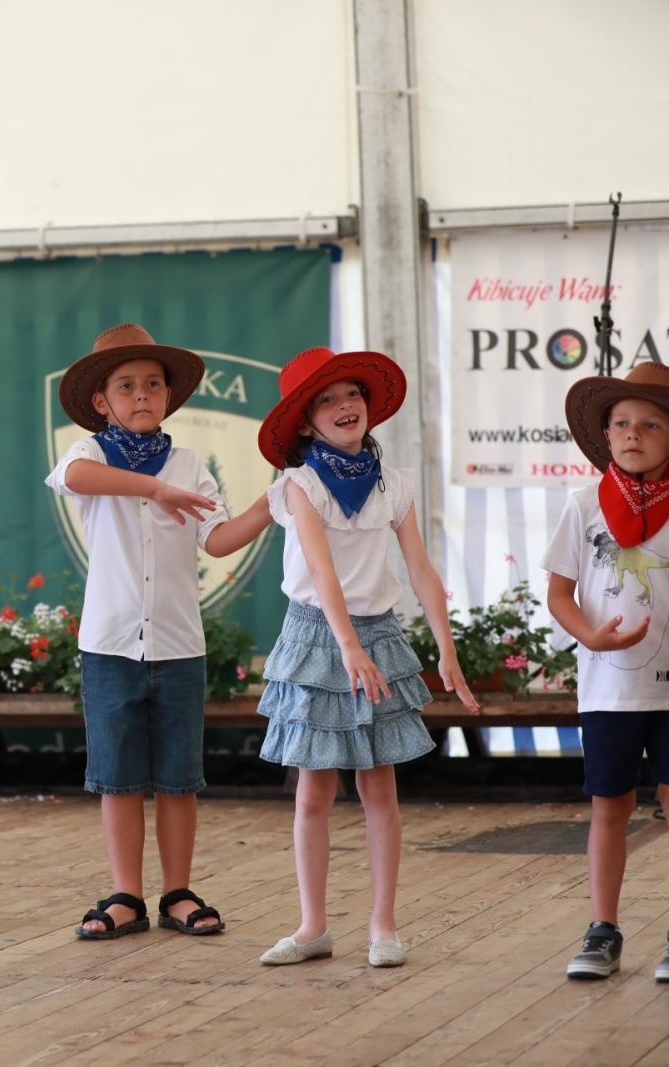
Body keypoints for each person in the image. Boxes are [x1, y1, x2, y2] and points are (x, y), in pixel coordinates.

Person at [45, 324, 273, 941]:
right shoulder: (89, 454)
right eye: (126, 386)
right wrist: (154, 487)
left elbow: (216, 538)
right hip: (110, 643)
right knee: (117, 779)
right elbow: (75, 479)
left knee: (178, 778)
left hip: (178, 644)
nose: (141, 394)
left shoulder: (190, 464)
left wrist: (270, 504)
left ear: (169, 396)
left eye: (152, 384)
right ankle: (125, 894)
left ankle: (177, 891)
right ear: (101, 401)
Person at [254, 347, 478, 968]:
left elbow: (421, 569)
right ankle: (313, 927)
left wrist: (447, 648)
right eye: (325, 400)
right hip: (315, 638)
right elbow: (321, 571)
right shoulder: (300, 485)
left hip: (378, 635)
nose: (344, 406)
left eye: (351, 393)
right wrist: (347, 647)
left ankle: (384, 926)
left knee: (379, 788)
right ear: (305, 423)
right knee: (312, 793)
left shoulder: (393, 484)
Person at [544, 363, 669, 982]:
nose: (632, 434)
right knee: (609, 805)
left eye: (650, 424)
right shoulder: (582, 504)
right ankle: (603, 929)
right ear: (606, 434)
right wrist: (589, 635)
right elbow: (559, 593)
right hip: (608, 686)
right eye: (621, 423)